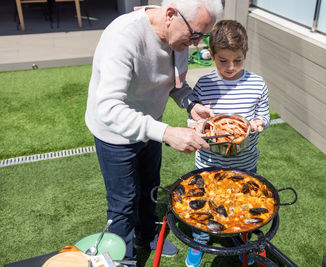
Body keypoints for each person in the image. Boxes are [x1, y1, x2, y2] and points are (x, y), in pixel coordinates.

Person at [84, 0, 223, 265]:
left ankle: (146, 236)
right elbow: (109, 108)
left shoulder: (178, 37)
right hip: (115, 134)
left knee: (149, 187)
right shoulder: (123, 36)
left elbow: (174, 83)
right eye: (195, 34)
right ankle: (123, 258)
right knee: (123, 204)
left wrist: (190, 103)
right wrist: (167, 131)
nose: (196, 44)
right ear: (171, 14)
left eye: (202, 37)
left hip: (151, 128)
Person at [185, 20, 270, 267]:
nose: (231, 67)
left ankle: (241, 240)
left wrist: (258, 124)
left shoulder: (257, 84)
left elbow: (264, 116)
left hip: (245, 161)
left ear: (245, 55)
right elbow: (192, 120)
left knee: (240, 203)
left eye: (238, 60)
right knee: (205, 202)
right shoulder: (204, 84)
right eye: (223, 60)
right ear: (211, 55)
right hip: (209, 162)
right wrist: (198, 126)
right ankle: (199, 243)